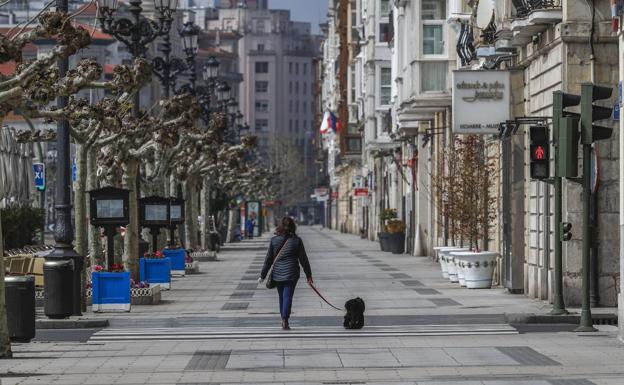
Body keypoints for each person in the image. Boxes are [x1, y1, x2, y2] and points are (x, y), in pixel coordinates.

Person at [259, 216, 313, 330]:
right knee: (288, 296)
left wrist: (262, 275)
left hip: (278, 272)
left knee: (281, 297)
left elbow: (268, 259)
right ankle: (285, 320)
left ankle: (283, 318)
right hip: (292, 273)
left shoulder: (274, 240)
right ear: (293, 227)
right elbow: (303, 259)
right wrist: (308, 275)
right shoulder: (297, 241)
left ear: (281, 226)